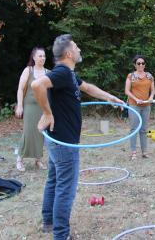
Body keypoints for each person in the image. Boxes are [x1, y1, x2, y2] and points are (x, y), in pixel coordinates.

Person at [31, 34, 124, 240]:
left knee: (54, 181)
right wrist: (47, 113)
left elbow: (88, 87)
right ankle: (61, 235)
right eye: (77, 47)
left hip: (57, 140)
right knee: (66, 188)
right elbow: (37, 85)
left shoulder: (69, 75)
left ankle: (48, 222)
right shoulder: (62, 72)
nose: (80, 49)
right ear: (69, 53)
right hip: (64, 142)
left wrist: (109, 97)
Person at [15, 47, 49, 172]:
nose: (42, 58)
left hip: (43, 108)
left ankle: (38, 160)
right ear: (34, 57)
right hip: (29, 106)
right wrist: (20, 105)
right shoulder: (28, 70)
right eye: (40, 56)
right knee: (28, 132)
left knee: (41, 133)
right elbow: (20, 88)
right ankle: (20, 159)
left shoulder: (48, 72)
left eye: (44, 56)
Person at [125, 55, 155, 160]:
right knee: (134, 129)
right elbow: (127, 91)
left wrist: (151, 97)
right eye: (138, 63)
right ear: (135, 65)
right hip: (134, 106)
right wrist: (136, 98)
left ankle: (144, 152)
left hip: (146, 106)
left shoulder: (149, 76)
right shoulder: (131, 76)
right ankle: (133, 152)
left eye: (143, 63)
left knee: (143, 129)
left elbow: (153, 90)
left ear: (145, 64)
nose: (141, 65)